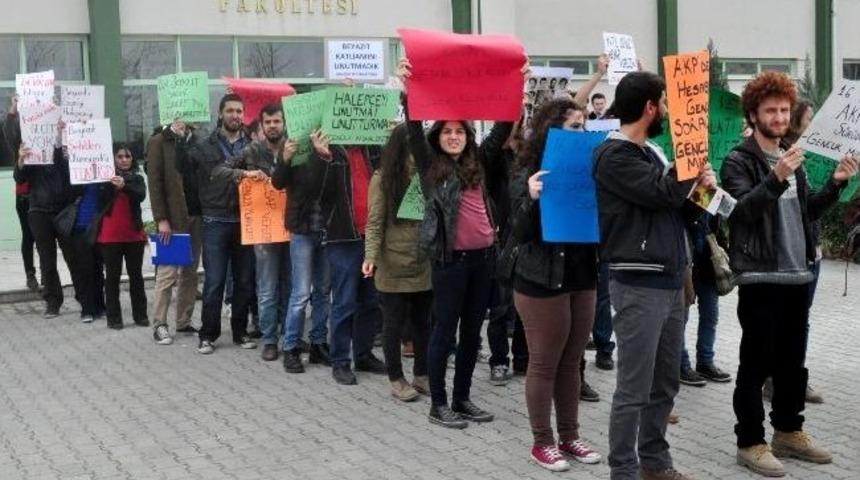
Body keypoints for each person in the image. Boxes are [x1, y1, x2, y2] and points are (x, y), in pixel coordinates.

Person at [721, 71, 857, 477]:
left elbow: (807, 213)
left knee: (792, 363)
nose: (780, 117)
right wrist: (775, 177)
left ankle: (789, 431)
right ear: (754, 113)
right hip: (762, 277)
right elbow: (740, 214)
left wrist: (834, 185)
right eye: (771, 111)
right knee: (755, 362)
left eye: (784, 110)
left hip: (800, 275)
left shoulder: (792, 159)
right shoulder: (738, 160)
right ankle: (750, 441)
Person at [595, 71, 716, 480]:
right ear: (649, 107)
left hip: (670, 280)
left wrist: (703, 188)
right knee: (633, 389)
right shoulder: (614, 156)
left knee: (664, 384)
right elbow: (661, 193)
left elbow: (680, 209)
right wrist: (689, 161)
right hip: (637, 284)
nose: (666, 110)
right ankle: (624, 470)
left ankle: (655, 462)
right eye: (663, 103)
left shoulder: (653, 153)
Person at [400, 57, 517, 429]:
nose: (453, 136)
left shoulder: (478, 162)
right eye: (447, 131)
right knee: (444, 331)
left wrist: (514, 85)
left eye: (460, 132)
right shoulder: (430, 166)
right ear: (439, 137)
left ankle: (462, 398)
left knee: (471, 332)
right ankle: (438, 403)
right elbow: (414, 129)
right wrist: (409, 93)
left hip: (484, 259)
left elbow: (502, 128)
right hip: (451, 262)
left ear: (468, 137)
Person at [509, 97, 602, 472]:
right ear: (551, 130)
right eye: (573, 126)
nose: (580, 133)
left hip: (582, 274)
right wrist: (531, 198)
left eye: (583, 126)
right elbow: (516, 231)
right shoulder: (526, 169)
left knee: (573, 362)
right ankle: (542, 442)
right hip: (540, 278)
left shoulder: (593, 168)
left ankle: (570, 436)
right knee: (545, 362)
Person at [212, 103, 295, 361]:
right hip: (264, 229)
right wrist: (245, 172)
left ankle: (290, 337)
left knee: (291, 287)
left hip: (293, 227)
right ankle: (270, 339)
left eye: (277, 121)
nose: (273, 126)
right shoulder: (251, 150)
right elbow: (218, 171)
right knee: (268, 287)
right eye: (268, 122)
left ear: (284, 123)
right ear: (261, 126)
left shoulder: (293, 148)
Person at [178, 93, 259, 355]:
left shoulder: (253, 143)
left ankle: (239, 332)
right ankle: (208, 334)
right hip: (215, 219)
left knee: (245, 281)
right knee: (214, 281)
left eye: (239, 111)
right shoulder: (206, 144)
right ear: (221, 114)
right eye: (230, 111)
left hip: (245, 219)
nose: (235, 115)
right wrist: (178, 136)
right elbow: (209, 171)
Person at [308, 128, 386, 386]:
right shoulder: (330, 151)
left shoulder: (372, 147)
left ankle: (363, 355)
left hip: (372, 238)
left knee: (371, 300)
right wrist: (322, 158)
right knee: (344, 301)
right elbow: (316, 192)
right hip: (344, 238)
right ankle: (341, 360)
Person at [363, 123, 432, 400]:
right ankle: (396, 379)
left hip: (423, 261)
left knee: (422, 322)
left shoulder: (428, 178)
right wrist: (370, 256)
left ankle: (422, 375)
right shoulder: (382, 179)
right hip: (392, 262)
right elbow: (375, 221)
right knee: (392, 324)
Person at [271, 134, 333, 376]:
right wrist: (284, 159)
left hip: (327, 229)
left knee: (323, 291)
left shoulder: (331, 144)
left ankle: (318, 343)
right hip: (303, 230)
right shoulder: (293, 145)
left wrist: (323, 155)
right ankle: (291, 347)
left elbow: (330, 184)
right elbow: (278, 183)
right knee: (300, 293)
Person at [13, 127, 78, 318]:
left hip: (64, 210)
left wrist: (68, 151)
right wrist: (21, 160)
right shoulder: (32, 147)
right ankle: (52, 302)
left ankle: (85, 299)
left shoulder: (66, 146)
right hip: (39, 211)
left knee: (73, 256)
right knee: (46, 260)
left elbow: (76, 174)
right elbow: (19, 177)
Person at [147, 120, 202, 345]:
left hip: (196, 214)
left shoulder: (197, 139)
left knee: (190, 272)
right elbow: (154, 182)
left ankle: (183, 320)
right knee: (167, 273)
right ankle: (159, 323)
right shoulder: (159, 141)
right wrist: (161, 219)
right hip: (173, 218)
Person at [487, 120, 529, 386]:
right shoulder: (493, 163)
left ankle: (523, 359)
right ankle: (499, 360)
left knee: (524, 307)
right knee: (500, 308)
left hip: (524, 241)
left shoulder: (530, 161)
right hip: (501, 242)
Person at [94, 144, 148, 329]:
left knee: (136, 277)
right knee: (112, 279)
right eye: (120, 156)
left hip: (134, 235)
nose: (124, 160)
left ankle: (140, 316)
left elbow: (140, 195)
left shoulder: (137, 179)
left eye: (128, 156)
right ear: (113, 158)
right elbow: (99, 199)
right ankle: (114, 318)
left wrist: (124, 186)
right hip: (110, 236)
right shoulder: (103, 179)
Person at [678, 213, 732, 386]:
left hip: (707, 263)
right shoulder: (685, 190)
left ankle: (705, 362)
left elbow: (720, 224)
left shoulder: (710, 192)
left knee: (710, 316)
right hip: (685, 262)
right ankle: (681, 364)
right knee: (680, 318)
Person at [4, 96, 39, 291]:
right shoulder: (20, 141)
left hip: (46, 195)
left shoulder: (47, 138)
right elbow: (8, 128)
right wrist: (14, 107)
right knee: (29, 235)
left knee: (46, 237)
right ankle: (30, 274)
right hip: (25, 196)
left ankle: (47, 274)